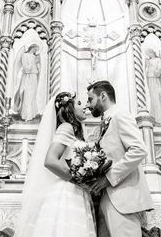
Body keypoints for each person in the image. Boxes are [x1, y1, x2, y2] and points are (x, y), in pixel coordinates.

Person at [16, 92, 95, 237]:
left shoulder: (74, 130)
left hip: (75, 191)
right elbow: (50, 160)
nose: (84, 106)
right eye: (78, 103)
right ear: (69, 108)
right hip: (67, 193)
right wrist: (76, 178)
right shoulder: (66, 127)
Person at [87, 81, 153, 237]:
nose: (88, 105)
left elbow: (139, 149)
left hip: (124, 199)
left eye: (90, 99)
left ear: (103, 95)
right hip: (106, 198)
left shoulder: (120, 115)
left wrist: (108, 178)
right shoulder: (104, 122)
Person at [13, 44, 41, 121]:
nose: (36, 50)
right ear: (32, 47)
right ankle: (25, 115)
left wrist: (38, 64)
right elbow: (26, 67)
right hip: (27, 76)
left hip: (33, 76)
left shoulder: (35, 57)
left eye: (37, 49)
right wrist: (33, 62)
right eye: (35, 48)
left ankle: (31, 114)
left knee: (32, 95)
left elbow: (38, 70)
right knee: (26, 94)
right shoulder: (25, 55)